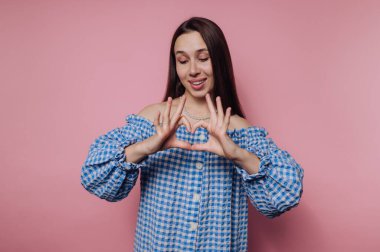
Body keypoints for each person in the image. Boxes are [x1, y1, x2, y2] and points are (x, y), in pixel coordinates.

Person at [81, 16, 304, 252]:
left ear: (218, 60)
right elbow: (94, 176)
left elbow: (287, 193)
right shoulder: (155, 119)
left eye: (203, 58)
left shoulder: (240, 131)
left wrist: (237, 154)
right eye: (183, 61)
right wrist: (146, 147)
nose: (193, 70)